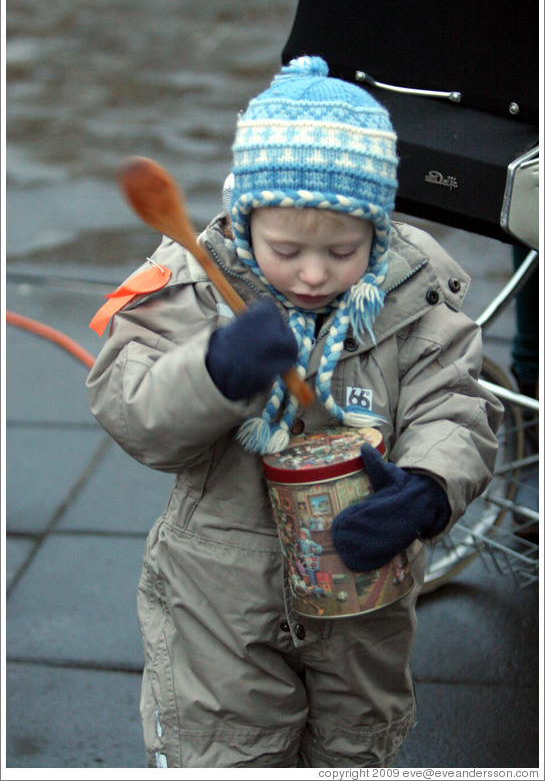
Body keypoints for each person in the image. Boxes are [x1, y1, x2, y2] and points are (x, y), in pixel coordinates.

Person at [86, 56, 502, 768]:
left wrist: (427, 487)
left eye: (342, 250)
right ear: (246, 218)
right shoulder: (193, 287)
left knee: (355, 743)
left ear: (378, 228)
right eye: (285, 250)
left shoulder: (413, 294)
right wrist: (213, 368)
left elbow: (454, 406)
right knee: (229, 747)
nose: (313, 274)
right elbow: (135, 415)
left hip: (364, 599)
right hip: (222, 598)